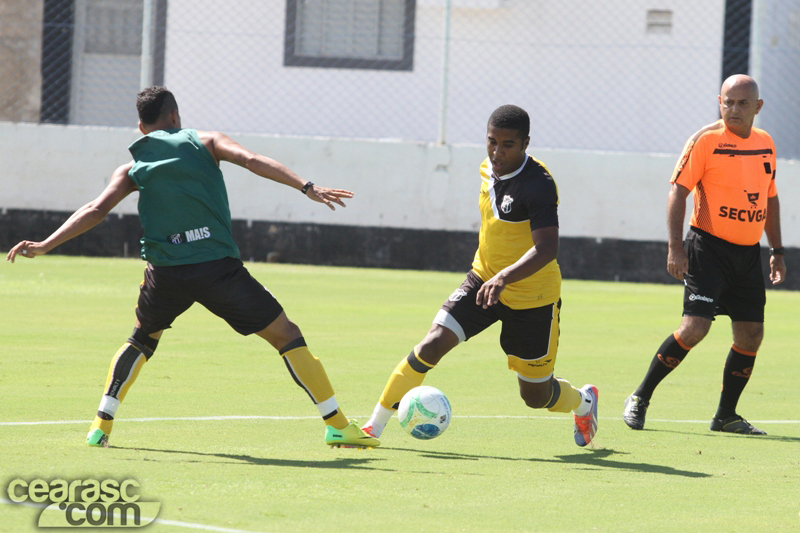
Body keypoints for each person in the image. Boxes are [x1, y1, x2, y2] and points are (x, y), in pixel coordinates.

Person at [6, 86, 379, 449]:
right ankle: (336, 425)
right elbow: (252, 160)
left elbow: (95, 210)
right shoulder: (207, 142)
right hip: (217, 270)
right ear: (175, 117)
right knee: (286, 335)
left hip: (165, 274)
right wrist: (306, 186)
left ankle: (100, 425)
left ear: (141, 128)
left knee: (141, 340)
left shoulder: (134, 167)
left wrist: (44, 245)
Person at [361, 105, 599, 447]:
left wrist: (504, 278)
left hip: (533, 297)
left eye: (508, 145)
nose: (497, 152)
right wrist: (493, 276)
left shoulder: (539, 185)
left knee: (534, 395)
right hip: (482, 281)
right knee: (432, 342)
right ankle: (374, 426)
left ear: (526, 144)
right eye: (492, 142)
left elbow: (547, 248)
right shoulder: (488, 168)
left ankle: (583, 402)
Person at [623, 75, 786, 435]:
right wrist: (675, 247)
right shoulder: (706, 141)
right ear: (719, 102)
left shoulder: (765, 144)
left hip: (747, 255)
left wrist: (776, 250)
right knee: (694, 328)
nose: (734, 109)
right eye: (728, 102)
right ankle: (640, 397)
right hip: (707, 249)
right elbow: (677, 193)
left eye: (743, 103)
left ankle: (726, 416)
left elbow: (770, 198)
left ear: (758, 107)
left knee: (750, 335)